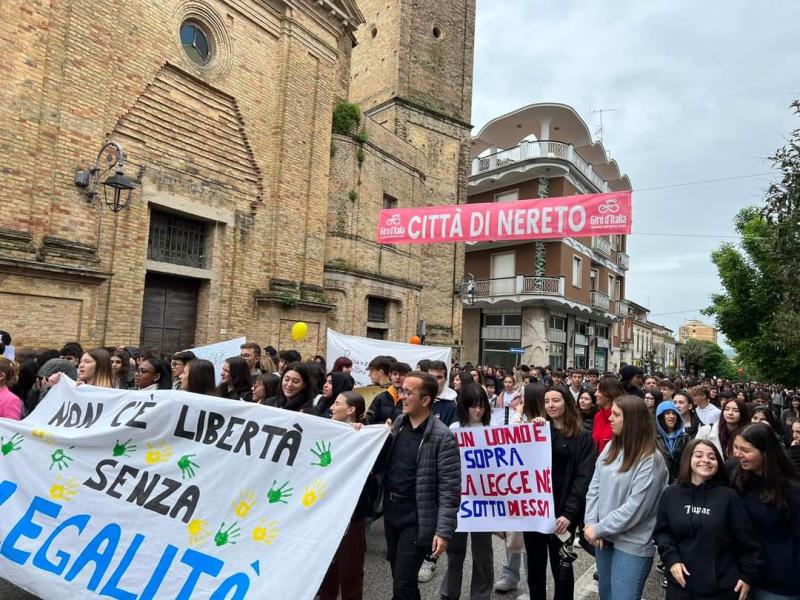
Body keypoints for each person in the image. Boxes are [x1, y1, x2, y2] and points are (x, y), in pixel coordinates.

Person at [379, 370, 460, 600]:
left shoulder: (442, 437)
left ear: (426, 400)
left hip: (417, 517)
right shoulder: (398, 424)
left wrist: (443, 532)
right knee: (400, 578)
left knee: (403, 584)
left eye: (408, 392)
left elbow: (450, 489)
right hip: (392, 511)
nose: (402, 396)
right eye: (401, 391)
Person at [584, 395, 670, 600]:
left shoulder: (651, 460)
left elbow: (636, 508)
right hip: (603, 538)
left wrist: (598, 528)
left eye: (616, 415)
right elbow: (594, 488)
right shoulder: (611, 447)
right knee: (606, 594)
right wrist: (591, 523)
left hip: (632, 543)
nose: (610, 419)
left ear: (632, 420)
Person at [654, 439, 762, 600]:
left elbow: (748, 541)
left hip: (722, 588)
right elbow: (663, 533)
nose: (706, 460)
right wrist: (672, 560)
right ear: (688, 459)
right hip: (680, 586)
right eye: (699, 455)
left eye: (712, 457)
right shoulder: (671, 494)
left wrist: (747, 576)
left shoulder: (729, 497)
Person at [524, 384, 595, 600]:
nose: (551, 405)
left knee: (562, 568)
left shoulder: (583, 437)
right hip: (536, 512)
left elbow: (583, 479)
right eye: (547, 401)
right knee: (535, 567)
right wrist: (533, 430)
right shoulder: (539, 430)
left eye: (556, 400)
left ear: (567, 402)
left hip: (562, 514)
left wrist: (569, 514)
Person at [731, 423, 800, 599]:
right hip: (740, 574)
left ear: (765, 453)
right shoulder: (735, 474)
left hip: (778, 582)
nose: (738, 454)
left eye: (745, 450)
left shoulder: (790, 490)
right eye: (736, 447)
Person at [440, 384, 494, 600]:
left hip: (483, 501)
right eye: (473, 406)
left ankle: (481, 595)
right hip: (458, 499)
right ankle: (448, 593)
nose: (477, 410)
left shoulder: (493, 430)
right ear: (464, 407)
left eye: (481, 406)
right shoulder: (454, 429)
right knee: (454, 552)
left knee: (483, 554)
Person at [318, 390, 371, 600]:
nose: (331, 407)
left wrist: (361, 435)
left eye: (337, 404)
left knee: (350, 568)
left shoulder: (364, 436)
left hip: (351, 513)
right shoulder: (324, 428)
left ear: (351, 410)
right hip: (324, 510)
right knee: (325, 568)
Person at [655, 401, 689, 483]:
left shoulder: (684, 437)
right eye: (667, 413)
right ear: (660, 416)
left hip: (679, 482)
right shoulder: (653, 438)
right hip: (658, 482)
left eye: (674, 413)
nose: (671, 416)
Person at [593, 376, 625, 455]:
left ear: (609, 393)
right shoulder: (598, 416)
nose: (595, 394)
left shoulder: (624, 417)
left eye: (599, 391)